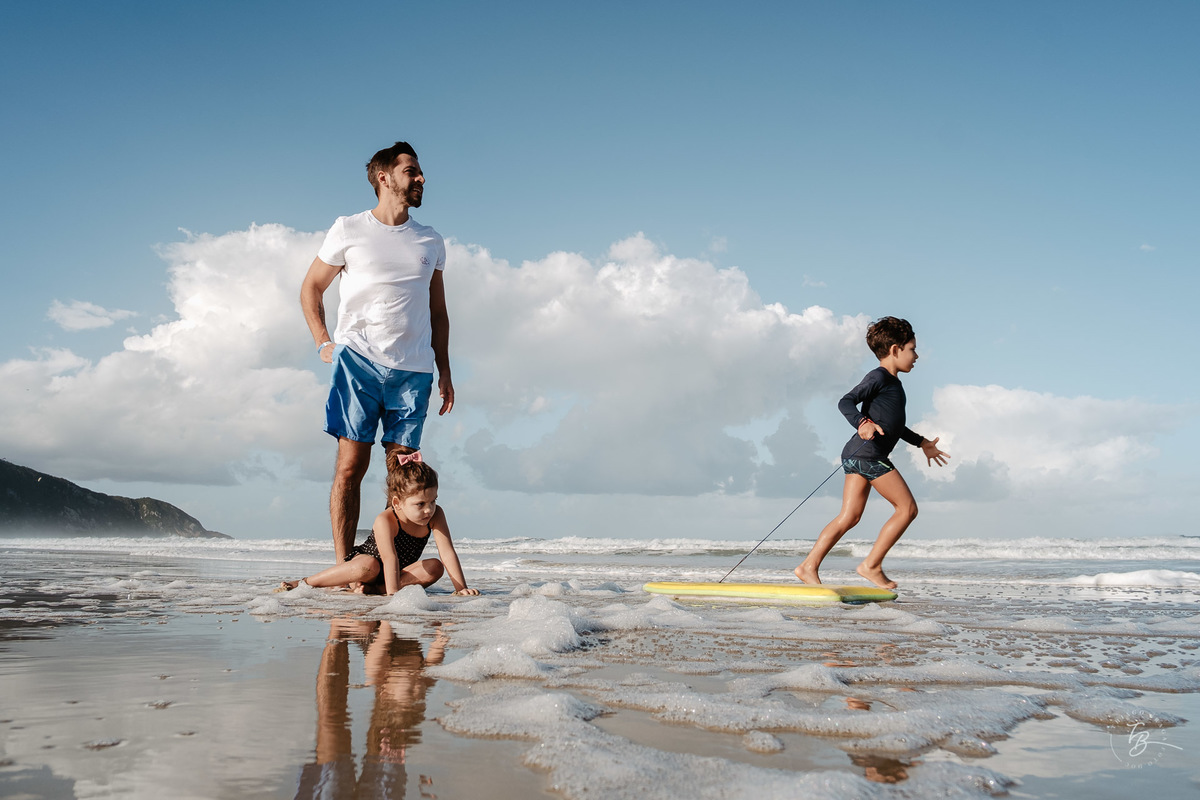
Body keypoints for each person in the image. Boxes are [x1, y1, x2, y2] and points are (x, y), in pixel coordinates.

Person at [300, 141, 454, 563]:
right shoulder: (349, 229)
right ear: (384, 178)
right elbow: (311, 287)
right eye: (411, 171)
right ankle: (344, 568)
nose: (421, 178)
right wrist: (323, 342)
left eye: (419, 171)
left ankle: (388, 568)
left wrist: (444, 369)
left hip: (414, 371)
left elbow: (438, 312)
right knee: (350, 467)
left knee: (403, 475)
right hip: (358, 364)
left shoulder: (430, 240)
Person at [795, 317, 949, 590]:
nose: (916, 356)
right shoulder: (879, 377)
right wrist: (862, 423)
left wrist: (922, 442)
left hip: (856, 455)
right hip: (869, 456)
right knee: (907, 509)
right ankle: (871, 565)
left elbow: (894, 426)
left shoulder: (892, 383)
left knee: (850, 516)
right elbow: (845, 401)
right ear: (895, 349)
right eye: (912, 349)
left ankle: (808, 566)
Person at [279, 453, 479, 596]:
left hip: (397, 575)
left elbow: (447, 553)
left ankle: (375, 591)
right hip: (366, 569)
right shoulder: (386, 519)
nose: (429, 509)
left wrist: (461, 589)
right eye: (420, 504)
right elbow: (390, 558)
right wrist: (394, 597)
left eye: (433, 501)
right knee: (369, 566)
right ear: (397, 503)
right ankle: (306, 582)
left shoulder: (436, 514)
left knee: (434, 566)